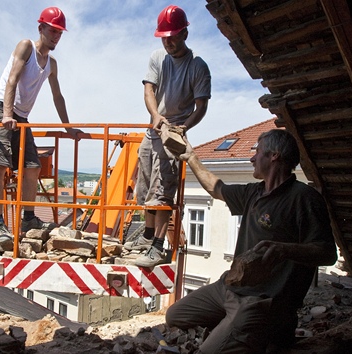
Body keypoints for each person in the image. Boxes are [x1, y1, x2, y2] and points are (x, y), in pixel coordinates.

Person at [165, 129, 338, 353]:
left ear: (274, 155)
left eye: (257, 152)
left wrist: (285, 250)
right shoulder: (253, 193)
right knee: (175, 316)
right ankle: (243, 330)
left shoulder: (303, 198)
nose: (252, 157)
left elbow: (327, 253)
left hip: (263, 301)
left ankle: (269, 331)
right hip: (227, 288)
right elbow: (216, 188)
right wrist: (191, 157)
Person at [0, 7, 82, 248]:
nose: (56, 36)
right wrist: (6, 114)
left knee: (32, 167)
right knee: (0, 165)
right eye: (52, 30)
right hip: (0, 108)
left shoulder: (52, 64)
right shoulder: (26, 46)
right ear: (41, 29)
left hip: (21, 118)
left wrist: (68, 129)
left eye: (60, 32)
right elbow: (12, 80)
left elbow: (58, 97)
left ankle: (28, 218)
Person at [126, 5, 211, 268]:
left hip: (173, 134)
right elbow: (148, 90)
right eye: (164, 36)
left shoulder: (197, 67)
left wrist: (182, 128)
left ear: (185, 33)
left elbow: (202, 107)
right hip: (153, 131)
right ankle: (148, 236)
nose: (168, 41)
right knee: (146, 188)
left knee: (163, 192)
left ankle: (157, 247)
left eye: (172, 36)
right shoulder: (157, 57)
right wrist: (155, 116)